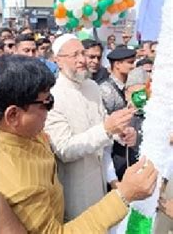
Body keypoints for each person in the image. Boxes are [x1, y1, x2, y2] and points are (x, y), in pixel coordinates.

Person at [0, 54, 158, 233]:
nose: (82, 59)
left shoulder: (28, 132)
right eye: (47, 104)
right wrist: (124, 195)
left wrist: (117, 132)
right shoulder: (17, 178)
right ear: (12, 116)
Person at [44, 34, 137, 220]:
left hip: (101, 179)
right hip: (74, 188)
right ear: (58, 61)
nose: (82, 60)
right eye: (74, 55)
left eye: (83, 54)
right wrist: (108, 130)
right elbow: (64, 149)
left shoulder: (92, 87)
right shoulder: (53, 95)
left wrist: (122, 133)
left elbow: (103, 124)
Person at [100, 47, 137, 114]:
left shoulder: (128, 85)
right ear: (117, 64)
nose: (133, 66)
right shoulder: (106, 90)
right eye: (130, 62)